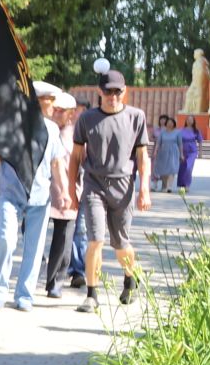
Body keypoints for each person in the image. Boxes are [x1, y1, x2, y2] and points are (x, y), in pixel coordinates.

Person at [69, 68, 152, 314]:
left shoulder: (136, 117)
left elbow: (142, 156)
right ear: (100, 92)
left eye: (117, 92)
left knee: (121, 243)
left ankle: (130, 278)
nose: (112, 96)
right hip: (94, 185)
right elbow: (75, 157)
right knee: (96, 239)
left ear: (124, 92)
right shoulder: (87, 119)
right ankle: (92, 295)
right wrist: (73, 190)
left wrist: (144, 188)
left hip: (124, 187)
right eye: (108, 91)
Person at [0, 82, 69, 311]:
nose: (54, 107)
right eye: (50, 101)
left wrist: (63, 192)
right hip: (10, 194)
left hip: (40, 197)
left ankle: (24, 295)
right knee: (6, 240)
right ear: (36, 101)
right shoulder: (10, 124)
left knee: (34, 247)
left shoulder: (52, 130)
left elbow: (57, 163)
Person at [43, 92, 82, 298]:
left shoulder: (76, 135)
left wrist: (76, 192)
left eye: (61, 111)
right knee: (32, 234)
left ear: (71, 114)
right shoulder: (44, 129)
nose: (56, 114)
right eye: (55, 110)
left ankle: (55, 282)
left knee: (64, 239)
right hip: (42, 191)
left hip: (66, 194)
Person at [152, 115, 181, 194]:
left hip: (174, 152)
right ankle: (164, 186)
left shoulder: (177, 132)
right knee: (164, 170)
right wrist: (155, 151)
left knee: (172, 169)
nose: (170, 124)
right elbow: (158, 142)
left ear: (174, 124)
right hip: (163, 152)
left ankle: (169, 187)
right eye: (168, 122)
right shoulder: (162, 132)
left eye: (171, 123)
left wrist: (182, 154)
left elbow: (180, 144)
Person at [177, 116, 203, 195]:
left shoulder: (196, 131)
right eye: (188, 120)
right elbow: (179, 142)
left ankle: (187, 185)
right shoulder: (181, 130)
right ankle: (182, 185)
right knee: (182, 168)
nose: (189, 121)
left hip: (192, 152)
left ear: (193, 121)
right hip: (182, 151)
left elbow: (200, 141)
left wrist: (200, 152)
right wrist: (180, 153)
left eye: (191, 120)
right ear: (186, 121)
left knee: (188, 168)